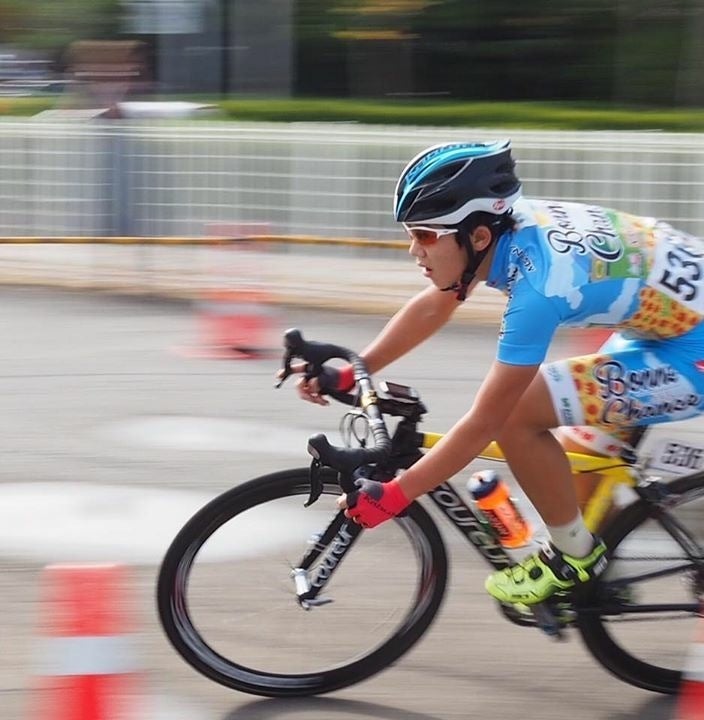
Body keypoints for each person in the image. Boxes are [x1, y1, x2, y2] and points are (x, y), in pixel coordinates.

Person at [286, 139, 704, 607]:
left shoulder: (538, 288)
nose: (413, 250)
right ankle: (601, 583)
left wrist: (398, 494)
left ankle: (575, 560)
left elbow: (487, 420)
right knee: (571, 461)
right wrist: (353, 372)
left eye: (425, 235)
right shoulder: (504, 226)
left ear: (478, 237)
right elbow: (436, 304)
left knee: (518, 416)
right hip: (667, 325)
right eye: (411, 234)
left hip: (692, 351)